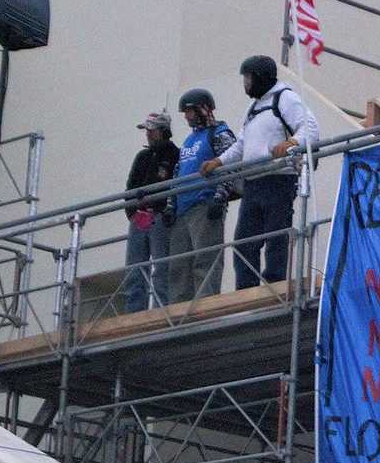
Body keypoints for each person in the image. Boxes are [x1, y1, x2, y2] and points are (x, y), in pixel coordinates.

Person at [200, 56, 319, 290]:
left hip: (278, 178)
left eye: (248, 78)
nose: (245, 83)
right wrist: (219, 161)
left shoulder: (285, 97)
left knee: (276, 235)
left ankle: (274, 284)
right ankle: (247, 288)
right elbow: (242, 144)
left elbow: (310, 127)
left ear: (260, 77)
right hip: (253, 183)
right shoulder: (253, 108)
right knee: (245, 241)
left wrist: (292, 141)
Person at [164, 89, 236, 303]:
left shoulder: (220, 133)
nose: (186, 116)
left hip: (204, 204)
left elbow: (230, 164)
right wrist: (170, 204)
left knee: (205, 258)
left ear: (202, 109)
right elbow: (178, 172)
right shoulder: (188, 140)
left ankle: (205, 304)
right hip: (182, 208)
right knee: (178, 265)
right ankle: (179, 309)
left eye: (189, 111)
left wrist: (220, 196)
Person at [121, 112, 179, 314]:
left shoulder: (174, 154)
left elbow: (175, 185)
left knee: (162, 267)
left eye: (151, 130)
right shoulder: (142, 156)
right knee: (134, 268)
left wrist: (164, 209)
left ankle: (161, 310)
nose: (148, 134)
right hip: (139, 217)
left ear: (163, 131)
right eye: (147, 130)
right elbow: (130, 187)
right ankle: (134, 312)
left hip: (160, 216)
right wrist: (132, 212)